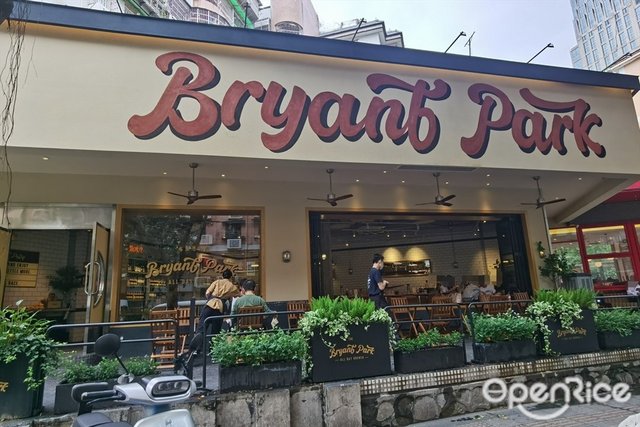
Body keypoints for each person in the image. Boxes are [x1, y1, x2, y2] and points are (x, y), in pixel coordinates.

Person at [197, 269, 240, 338]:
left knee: (201, 327)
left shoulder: (217, 282)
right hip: (220, 307)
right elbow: (239, 295)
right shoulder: (232, 286)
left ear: (222, 276)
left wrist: (210, 298)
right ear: (230, 277)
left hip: (209, 304)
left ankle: (198, 343)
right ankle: (213, 344)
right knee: (215, 331)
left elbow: (207, 293)